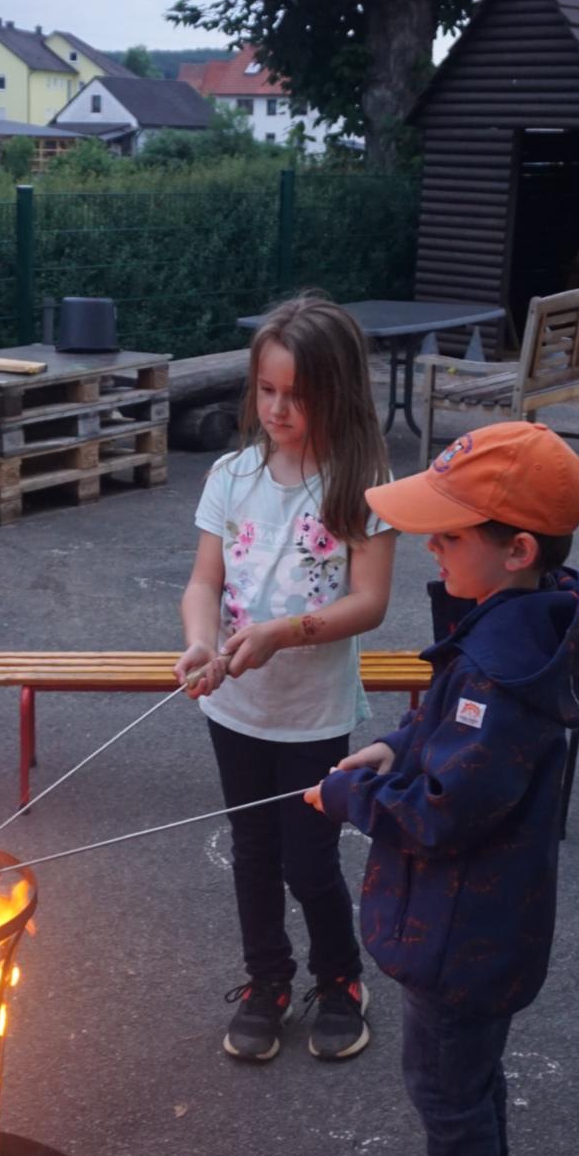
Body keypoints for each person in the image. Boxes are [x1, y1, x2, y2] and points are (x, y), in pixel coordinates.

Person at [309, 420, 579, 1156]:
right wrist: (394, 749)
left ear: (517, 549)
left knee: (445, 1089)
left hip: (465, 928)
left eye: (447, 537)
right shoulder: (513, 630)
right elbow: (444, 741)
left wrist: (348, 801)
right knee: (461, 1081)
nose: (430, 551)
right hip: (475, 922)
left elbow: (447, 811)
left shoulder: (502, 676)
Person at [176, 295, 396, 1063]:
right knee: (254, 853)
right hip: (234, 706)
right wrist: (202, 643)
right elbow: (203, 582)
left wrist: (280, 634)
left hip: (311, 714)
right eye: (266, 390)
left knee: (309, 860)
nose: (276, 407)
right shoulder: (232, 475)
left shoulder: (360, 482)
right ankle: (266, 981)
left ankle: (340, 979)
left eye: (296, 395)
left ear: (336, 392)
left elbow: (369, 602)